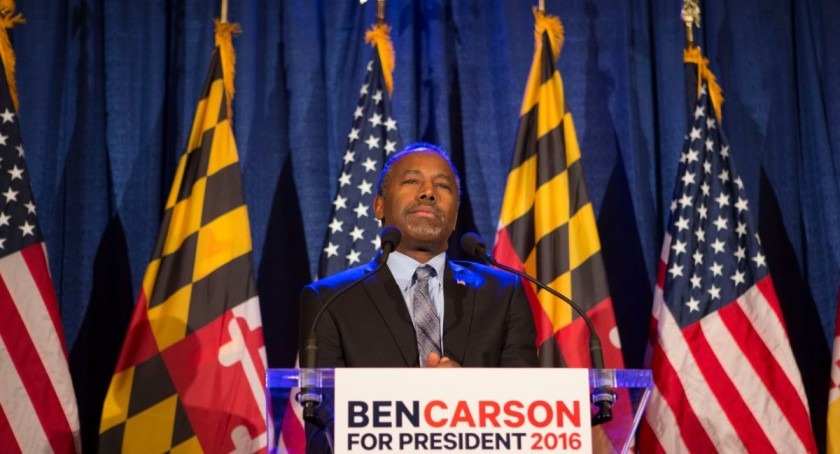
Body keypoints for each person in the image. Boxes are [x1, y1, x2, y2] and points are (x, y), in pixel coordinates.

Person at [298, 142, 538, 368]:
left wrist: (467, 390)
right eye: (412, 181)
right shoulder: (330, 301)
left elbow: (526, 392)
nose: (428, 192)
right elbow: (324, 397)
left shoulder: (502, 294)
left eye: (442, 185)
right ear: (379, 206)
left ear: (455, 216)